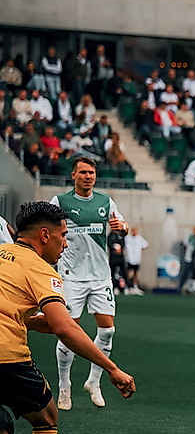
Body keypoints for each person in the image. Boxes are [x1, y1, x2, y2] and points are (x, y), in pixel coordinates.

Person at [0, 201, 136, 434]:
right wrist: (112, 369)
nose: (66, 243)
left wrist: (37, 321)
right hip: (6, 358)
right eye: (63, 236)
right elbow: (63, 327)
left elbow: (28, 316)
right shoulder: (39, 267)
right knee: (46, 419)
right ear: (44, 235)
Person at [49, 157, 127, 410]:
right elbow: (45, 228)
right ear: (73, 175)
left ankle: (94, 381)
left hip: (100, 275)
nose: (88, 176)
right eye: (83, 172)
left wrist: (122, 227)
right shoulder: (60, 201)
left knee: (107, 331)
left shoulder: (105, 201)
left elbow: (122, 225)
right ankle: (64, 386)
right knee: (69, 332)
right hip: (71, 276)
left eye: (91, 172)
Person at [123, 226, 149, 294]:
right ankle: (127, 286)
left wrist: (139, 250)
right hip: (129, 258)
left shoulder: (139, 238)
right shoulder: (127, 238)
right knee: (128, 273)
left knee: (135, 273)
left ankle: (135, 286)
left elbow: (146, 245)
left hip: (136, 259)